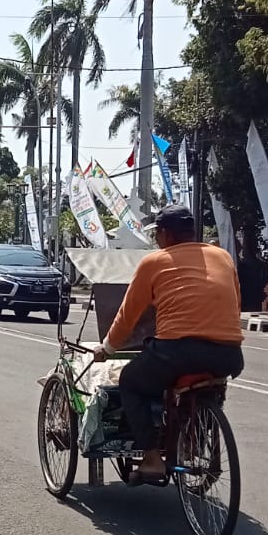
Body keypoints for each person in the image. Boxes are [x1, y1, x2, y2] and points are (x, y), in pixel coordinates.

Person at [93, 205, 245, 481]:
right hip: (229, 354)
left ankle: (151, 459)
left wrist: (108, 348)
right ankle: (198, 431)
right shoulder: (222, 256)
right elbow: (234, 302)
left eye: (157, 235)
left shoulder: (154, 261)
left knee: (131, 381)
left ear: (166, 234)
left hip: (177, 352)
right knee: (207, 383)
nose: (157, 241)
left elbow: (128, 316)